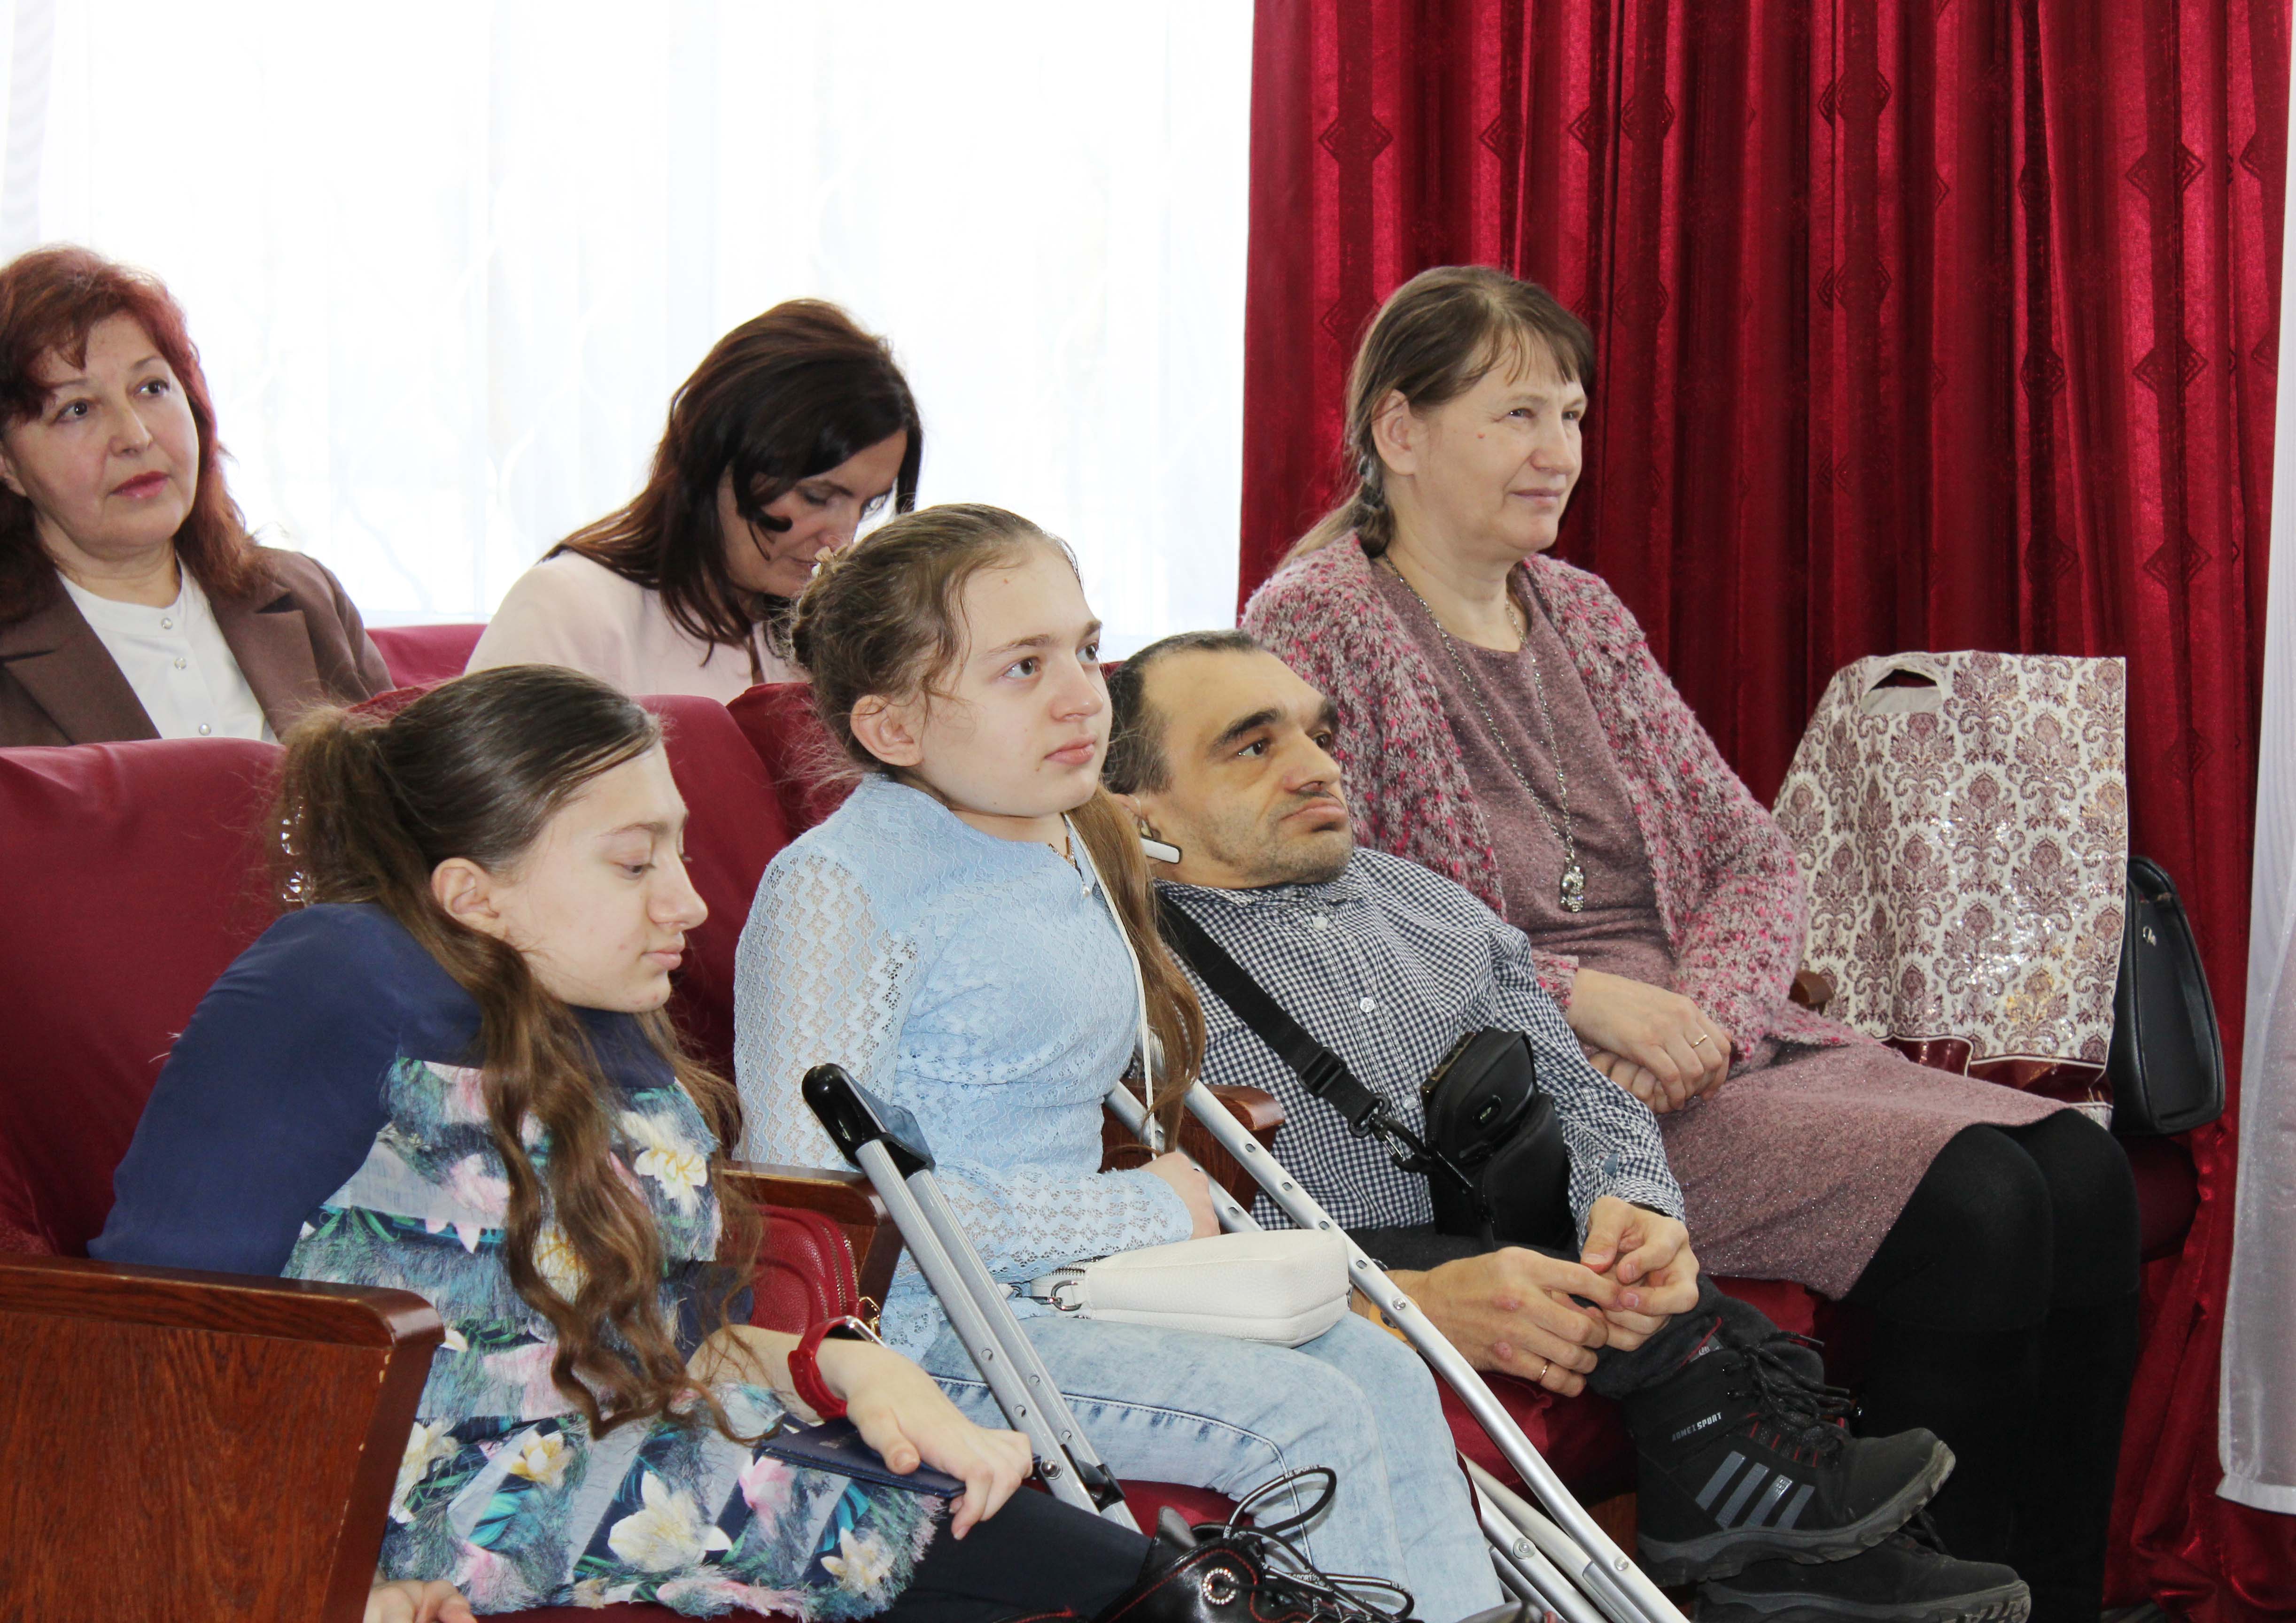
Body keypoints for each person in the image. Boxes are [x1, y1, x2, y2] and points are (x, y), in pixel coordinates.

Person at [1241, 264, 2140, 1623]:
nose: (1559, 451)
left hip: (1709, 1044)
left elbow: (1752, 854)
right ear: (1400, 430)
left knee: (2085, 1172)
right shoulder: (1314, 622)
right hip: (1533, 1086)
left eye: (1572, 415)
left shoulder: (1583, 610)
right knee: (1984, 1207)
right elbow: (1345, 910)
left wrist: (1701, 1017)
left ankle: (2045, 1598)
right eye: (1518, 415)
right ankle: (1888, 1594)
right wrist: (1588, 1004)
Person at [90, 665, 1177, 1622]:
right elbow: (157, 1331)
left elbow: (665, 1331)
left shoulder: (593, 1002)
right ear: (474, 893)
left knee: (1126, 1572)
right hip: (434, 1497)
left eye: (679, 849)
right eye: (632, 862)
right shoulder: (332, 981)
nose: (689, 902)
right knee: (1113, 1583)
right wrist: (303, 1572)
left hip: (627, 1447)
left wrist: (852, 1366)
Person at [1104, 631, 2048, 1623]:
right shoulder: (1113, 968)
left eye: (1318, 735)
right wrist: (1391, 1302)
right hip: (1320, 1260)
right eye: (1253, 746)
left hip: (1509, 1228)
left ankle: (1771, 1557)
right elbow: (1118, 1232)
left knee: (1638, 1262)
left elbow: (1586, 1097)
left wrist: (1634, 1209)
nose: (1316, 766)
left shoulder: (1434, 908)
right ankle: (1766, 1539)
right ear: (1135, 807)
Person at [734, 505, 1501, 1622]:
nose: (1081, 695)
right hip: (935, 1334)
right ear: (891, 727)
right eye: (1022, 667)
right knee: (1309, 1413)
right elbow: (822, 1211)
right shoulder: (835, 888)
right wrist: (1138, 1208)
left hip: (1083, 1291)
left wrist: (1137, 1217)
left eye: (1085, 647)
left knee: (1380, 1365)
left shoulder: (1063, 831)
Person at [0, 246, 389, 746]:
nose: (136, 436)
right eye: (77, 409)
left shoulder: (307, 596)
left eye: (151, 388)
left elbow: (399, 792)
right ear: (8, 464)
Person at [468, 301, 919, 699]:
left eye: (868, 506)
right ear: (714, 455)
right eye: (817, 496)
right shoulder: (568, 608)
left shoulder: (825, 634)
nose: (842, 540)